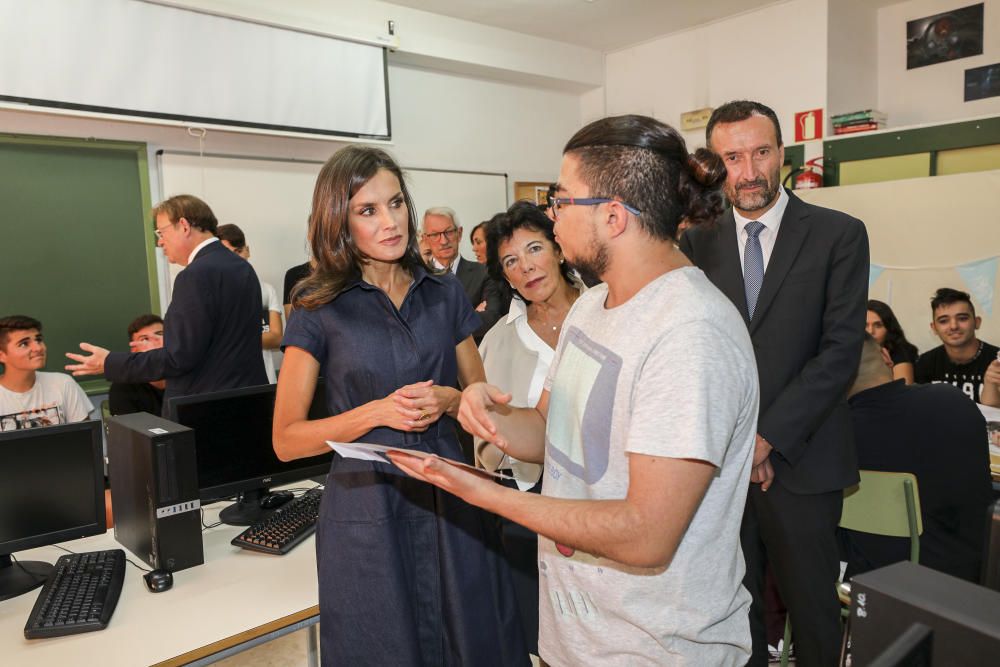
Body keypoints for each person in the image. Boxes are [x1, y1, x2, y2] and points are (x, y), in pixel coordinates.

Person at [390, 114, 758, 665]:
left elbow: (645, 533)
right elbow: (548, 429)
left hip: (658, 646)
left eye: (561, 201)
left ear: (612, 216)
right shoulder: (591, 306)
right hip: (580, 635)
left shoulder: (690, 334)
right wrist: (487, 415)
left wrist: (489, 497)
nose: (552, 216)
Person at [271, 145, 527, 666]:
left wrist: (453, 398)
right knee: (382, 645)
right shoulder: (317, 308)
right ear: (339, 223)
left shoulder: (445, 294)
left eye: (396, 203)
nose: (390, 222)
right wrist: (376, 413)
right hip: (367, 505)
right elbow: (286, 439)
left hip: (450, 494)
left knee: (471, 641)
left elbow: (477, 403)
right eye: (368, 211)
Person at [680, 100, 869, 667]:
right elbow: (696, 354)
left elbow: (839, 353)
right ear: (714, 165)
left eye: (761, 152)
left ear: (782, 153)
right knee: (734, 614)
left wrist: (767, 437)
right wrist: (740, 442)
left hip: (804, 463)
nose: (749, 170)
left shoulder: (838, 234)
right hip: (720, 470)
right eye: (731, 157)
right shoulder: (695, 244)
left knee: (812, 615)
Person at [476, 200, 585, 655]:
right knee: (540, 634)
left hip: (604, 493)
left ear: (559, 249)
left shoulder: (606, 310)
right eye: (511, 261)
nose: (526, 267)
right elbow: (486, 445)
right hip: (529, 500)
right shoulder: (499, 338)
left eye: (534, 248)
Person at [65, 195, 267, 408]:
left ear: (184, 225)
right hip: (248, 400)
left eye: (161, 232)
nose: (160, 241)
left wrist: (110, 362)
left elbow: (178, 357)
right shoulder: (242, 267)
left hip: (208, 408)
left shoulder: (195, 275)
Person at [843, 334, 991, 582]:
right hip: (962, 581)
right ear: (887, 357)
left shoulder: (833, 435)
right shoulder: (951, 402)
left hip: (868, 580)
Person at [422, 206, 507, 340]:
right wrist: (470, 316)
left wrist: (438, 323)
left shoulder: (484, 273)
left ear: (459, 233)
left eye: (448, 232)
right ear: (426, 239)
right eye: (435, 235)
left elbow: (492, 318)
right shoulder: (414, 278)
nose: (443, 241)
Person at [216, 223, 283, 383]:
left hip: (266, 380)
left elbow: (276, 338)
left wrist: (232, 339)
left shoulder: (266, 290)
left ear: (247, 250)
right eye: (227, 253)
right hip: (228, 382)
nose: (235, 258)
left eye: (238, 251)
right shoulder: (213, 293)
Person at [1, 315, 93, 431]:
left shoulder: (62, 383)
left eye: (38, 340)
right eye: (24, 344)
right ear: (1, 355)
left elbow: (85, 439)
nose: (38, 348)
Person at [915, 288, 999, 404]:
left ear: (977, 322)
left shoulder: (996, 361)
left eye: (962, 318)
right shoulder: (924, 363)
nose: (953, 326)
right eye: (944, 321)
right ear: (934, 328)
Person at [108, 314, 166, 416]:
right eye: (144, 339)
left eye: (160, 334)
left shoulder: (188, 376)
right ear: (134, 350)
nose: (154, 343)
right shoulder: (123, 388)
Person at [866, 300, 919, 384]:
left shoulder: (899, 352)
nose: (870, 331)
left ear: (889, 329)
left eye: (878, 325)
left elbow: (903, 393)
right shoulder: (849, 351)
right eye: (865, 325)